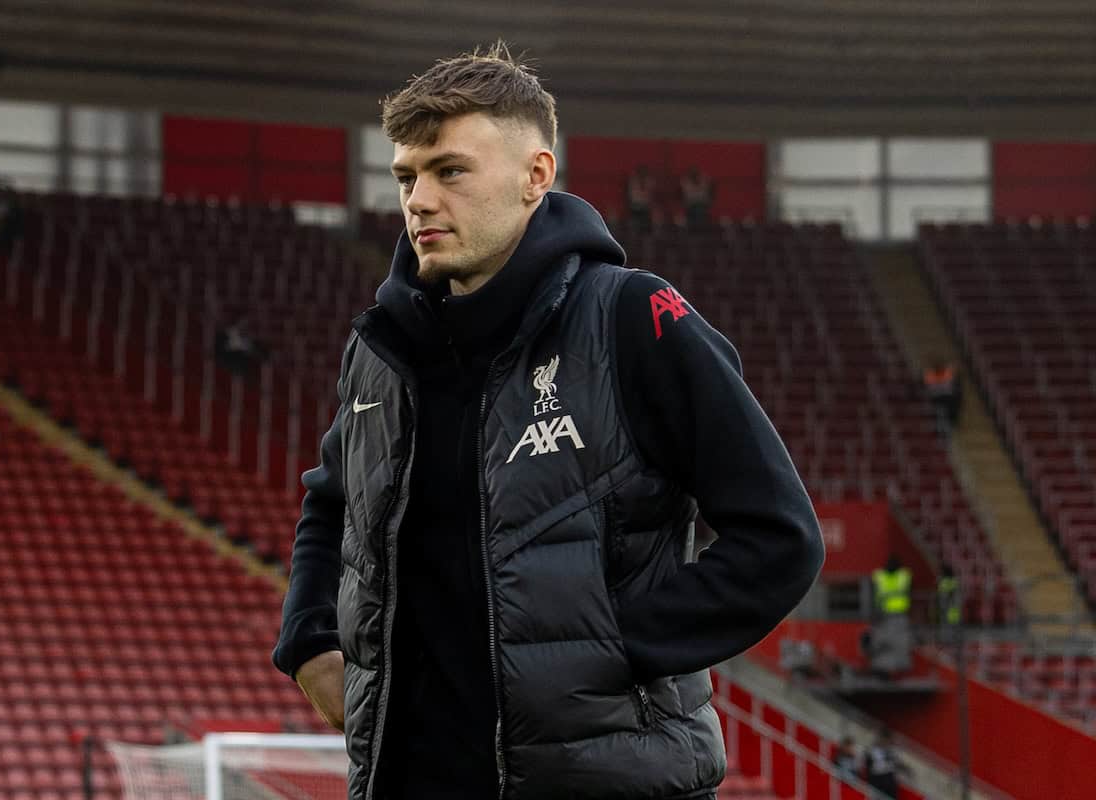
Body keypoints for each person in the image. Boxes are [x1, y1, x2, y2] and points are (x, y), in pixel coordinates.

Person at [272, 42, 824, 800]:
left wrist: (619, 648)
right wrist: (308, 640)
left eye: (450, 171)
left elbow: (779, 536)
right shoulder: (382, 347)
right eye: (406, 176)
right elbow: (331, 502)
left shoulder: (633, 318)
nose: (419, 200)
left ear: (536, 176)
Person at [923, 356, 961, 434]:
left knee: (955, 401)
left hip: (948, 397)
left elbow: (951, 384)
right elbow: (930, 388)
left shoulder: (948, 373)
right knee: (941, 406)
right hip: (936, 397)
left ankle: (951, 423)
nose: (939, 368)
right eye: (937, 367)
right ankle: (940, 425)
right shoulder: (930, 375)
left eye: (940, 366)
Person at [864, 728, 905, 799]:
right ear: (881, 738)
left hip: (889, 779)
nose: (886, 742)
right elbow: (870, 767)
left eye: (888, 740)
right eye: (885, 740)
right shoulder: (873, 750)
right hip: (877, 779)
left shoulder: (892, 751)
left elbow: (896, 764)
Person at [625, 164, 657, 231]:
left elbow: (651, 196)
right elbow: (632, 197)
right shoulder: (633, 182)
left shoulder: (649, 181)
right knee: (634, 224)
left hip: (646, 208)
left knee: (648, 223)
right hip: (635, 208)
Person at [937, 562, 962, 629]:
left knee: (948, 623)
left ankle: (949, 636)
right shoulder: (954, 581)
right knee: (954, 623)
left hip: (948, 605)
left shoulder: (944, 581)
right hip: (952, 606)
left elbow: (945, 593)